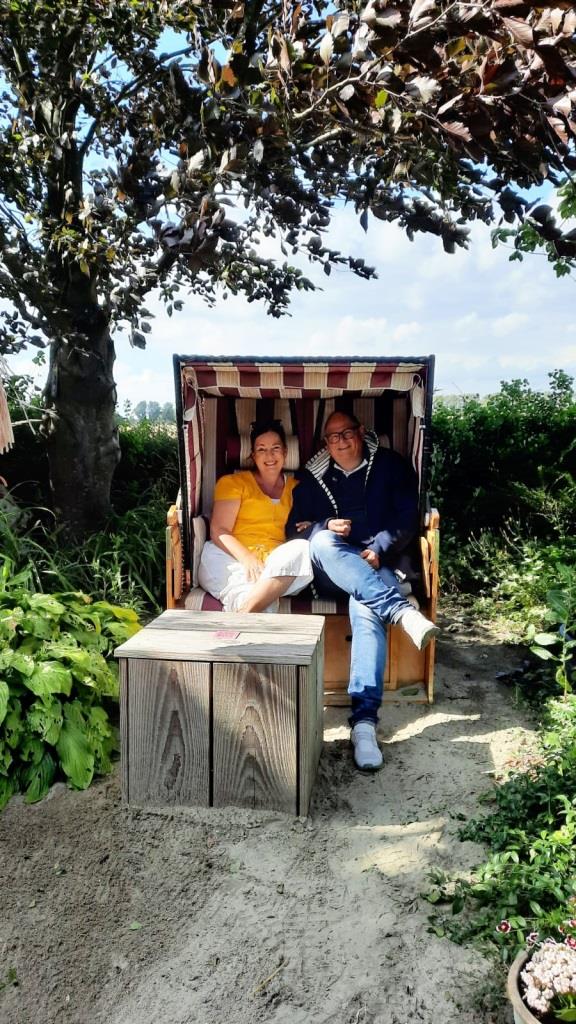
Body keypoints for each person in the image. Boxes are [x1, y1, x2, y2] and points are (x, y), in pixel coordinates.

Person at [286, 410, 439, 772]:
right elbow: (294, 530)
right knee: (321, 541)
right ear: (325, 443)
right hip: (332, 569)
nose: (340, 442)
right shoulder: (313, 477)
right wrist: (322, 525)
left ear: (361, 432)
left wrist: (379, 549)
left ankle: (364, 724)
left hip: (379, 564)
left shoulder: (390, 465)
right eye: (332, 437)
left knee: (367, 606)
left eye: (346, 433)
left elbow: (407, 517)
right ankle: (400, 611)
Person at [198, 418, 313, 612]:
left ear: (285, 452)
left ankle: (243, 615)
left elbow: (306, 524)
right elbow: (219, 529)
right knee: (260, 600)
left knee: (302, 548)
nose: (269, 455)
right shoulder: (233, 483)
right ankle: (247, 611)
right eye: (261, 449)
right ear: (253, 455)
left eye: (276, 448)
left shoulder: (298, 489)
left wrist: (310, 523)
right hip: (230, 556)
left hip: (276, 564)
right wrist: (247, 558)